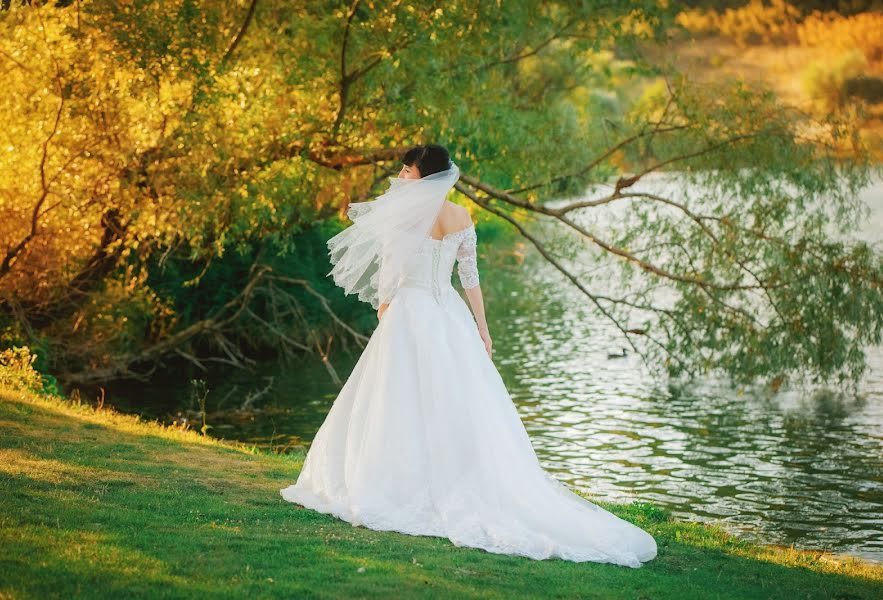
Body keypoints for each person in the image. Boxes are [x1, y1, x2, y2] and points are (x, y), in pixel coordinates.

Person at [280, 144, 658, 567]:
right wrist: (482, 328)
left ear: (424, 176)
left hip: (410, 310)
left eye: (407, 170)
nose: (401, 176)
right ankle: (455, 476)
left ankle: (395, 482)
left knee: (396, 400)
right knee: (457, 404)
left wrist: (386, 311)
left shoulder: (403, 215)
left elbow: (390, 273)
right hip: (449, 314)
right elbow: (470, 279)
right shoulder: (461, 216)